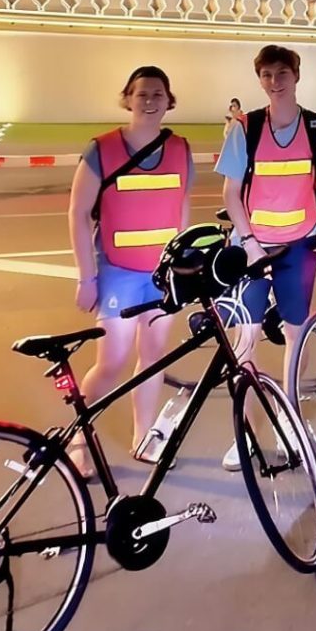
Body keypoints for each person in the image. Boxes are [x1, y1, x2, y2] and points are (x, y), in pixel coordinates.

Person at [214, 44, 316, 470]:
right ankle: (249, 434)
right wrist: (249, 240)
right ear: (260, 80)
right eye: (267, 75)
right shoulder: (247, 128)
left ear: (296, 75)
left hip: (299, 246)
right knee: (246, 340)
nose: (276, 82)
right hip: (253, 248)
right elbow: (230, 195)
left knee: (296, 334)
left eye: (282, 73)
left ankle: (289, 415)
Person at [68, 66, 192, 477]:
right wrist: (87, 277)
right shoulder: (101, 149)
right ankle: (78, 438)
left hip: (161, 274)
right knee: (113, 362)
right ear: (128, 98)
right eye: (142, 94)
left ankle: (144, 436)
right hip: (118, 272)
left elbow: (181, 208)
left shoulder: (180, 149)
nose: (150, 100)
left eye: (158, 93)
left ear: (169, 100)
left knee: (153, 357)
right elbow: (79, 214)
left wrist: (182, 263)